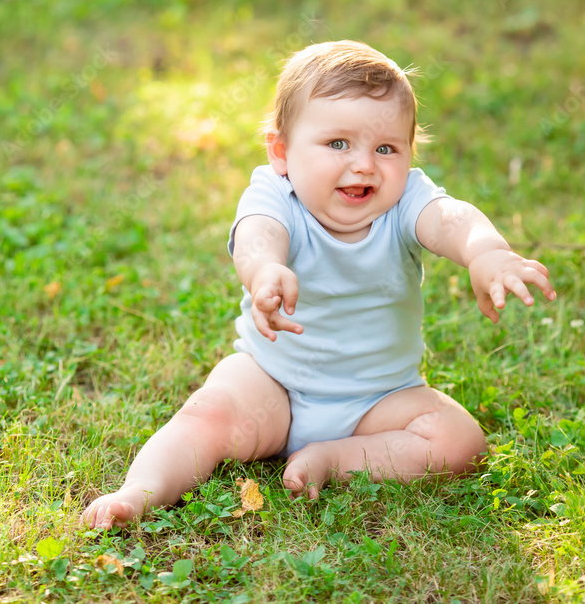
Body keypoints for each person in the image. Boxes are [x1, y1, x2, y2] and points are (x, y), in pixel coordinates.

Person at [81, 40, 556, 530]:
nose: (365, 164)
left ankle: (336, 459)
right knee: (210, 413)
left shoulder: (406, 201)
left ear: (410, 153)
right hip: (273, 385)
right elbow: (256, 234)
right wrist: (265, 268)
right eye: (338, 144)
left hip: (378, 399)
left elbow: (452, 220)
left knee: (460, 442)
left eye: (386, 148)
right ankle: (138, 492)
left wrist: (487, 252)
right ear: (281, 151)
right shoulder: (275, 193)